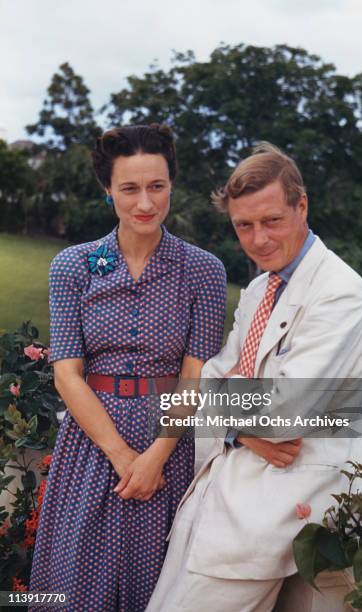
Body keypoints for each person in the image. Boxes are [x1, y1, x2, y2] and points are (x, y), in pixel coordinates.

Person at [147, 142, 362, 612]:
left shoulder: (339, 293)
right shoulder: (259, 289)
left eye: (271, 220)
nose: (258, 239)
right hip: (233, 490)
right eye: (243, 226)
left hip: (285, 500)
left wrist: (230, 410)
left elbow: (284, 411)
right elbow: (211, 378)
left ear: (302, 205)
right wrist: (241, 431)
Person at [29, 124, 229, 611]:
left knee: (156, 587)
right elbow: (66, 373)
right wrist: (121, 455)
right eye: (130, 189)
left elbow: (194, 375)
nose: (145, 203)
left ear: (171, 186)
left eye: (156, 186)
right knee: (75, 587)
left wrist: (154, 457)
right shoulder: (73, 266)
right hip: (92, 443)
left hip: (168, 448)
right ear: (108, 190)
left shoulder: (203, 270)